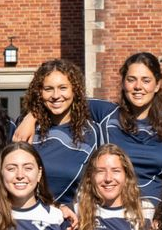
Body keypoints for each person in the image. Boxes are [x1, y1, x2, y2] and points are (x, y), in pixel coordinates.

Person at [17, 58, 115, 204]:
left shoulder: (93, 132)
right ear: (39, 92)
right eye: (48, 89)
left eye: (63, 88)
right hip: (31, 213)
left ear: (74, 90)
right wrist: (31, 116)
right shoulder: (25, 127)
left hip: (75, 214)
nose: (56, 95)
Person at [97, 52, 162, 204]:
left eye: (146, 80)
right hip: (114, 210)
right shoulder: (105, 114)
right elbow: (66, 98)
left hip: (158, 211)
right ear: (123, 83)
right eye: (131, 80)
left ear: (157, 85)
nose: (138, 87)